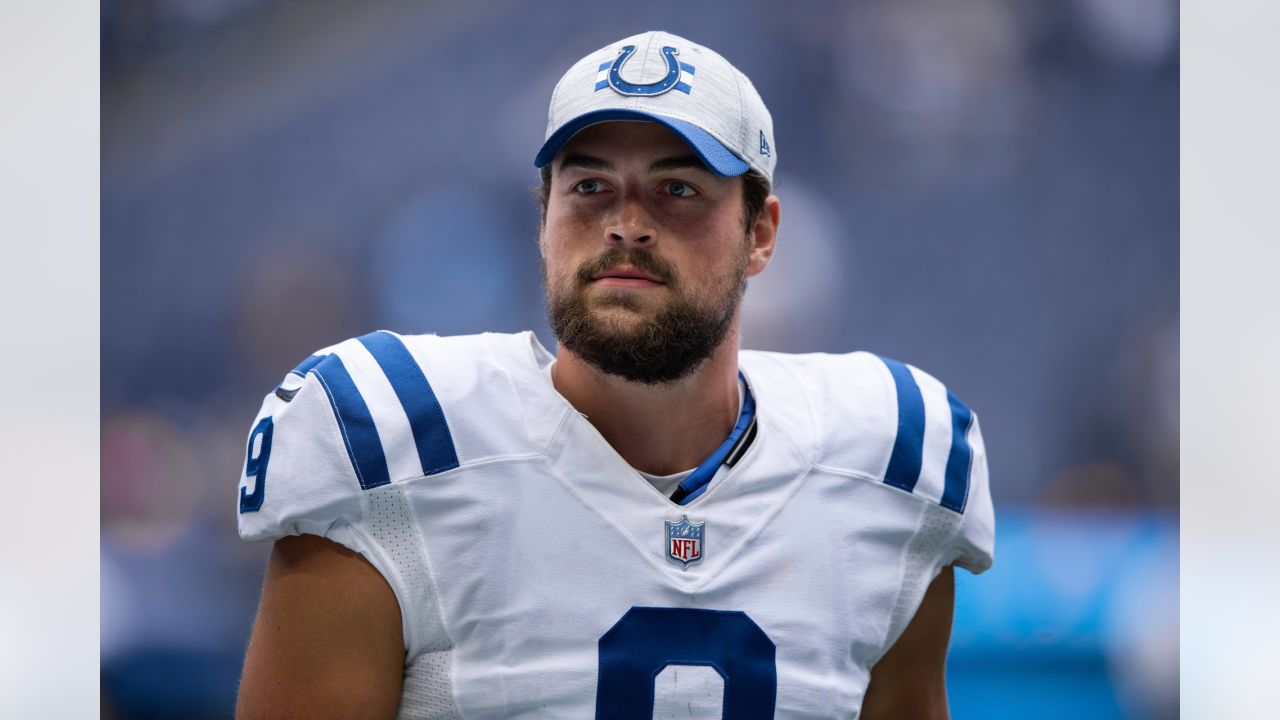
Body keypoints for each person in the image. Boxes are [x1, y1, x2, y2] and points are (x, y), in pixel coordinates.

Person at [234, 30, 994, 719]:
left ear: (760, 235)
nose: (627, 222)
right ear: (543, 222)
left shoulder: (890, 463)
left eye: (678, 189)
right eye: (590, 187)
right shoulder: (392, 444)